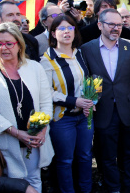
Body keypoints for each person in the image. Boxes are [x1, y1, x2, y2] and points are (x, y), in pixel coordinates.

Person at [0, 22, 54, 192]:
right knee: (14, 185)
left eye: (9, 43)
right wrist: (17, 133)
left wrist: (42, 129)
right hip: (6, 142)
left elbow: (46, 102)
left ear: (19, 44)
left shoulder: (35, 68)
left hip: (34, 140)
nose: (4, 48)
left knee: (34, 179)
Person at [80, 9, 130, 193]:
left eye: (119, 24)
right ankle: (114, 188)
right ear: (100, 25)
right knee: (107, 155)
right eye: (112, 24)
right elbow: (85, 79)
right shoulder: (87, 49)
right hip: (102, 111)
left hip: (129, 109)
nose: (116, 28)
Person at [40, 15, 94, 193]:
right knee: (65, 160)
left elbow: (86, 81)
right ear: (53, 33)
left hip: (84, 115)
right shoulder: (47, 60)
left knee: (86, 156)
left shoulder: (79, 53)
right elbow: (47, 91)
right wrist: (74, 101)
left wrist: (90, 100)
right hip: (63, 119)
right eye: (61, 29)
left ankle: (86, 190)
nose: (66, 32)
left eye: (70, 28)